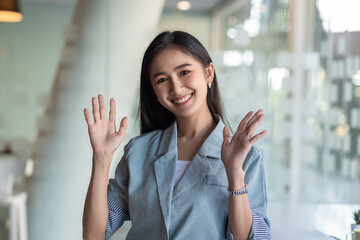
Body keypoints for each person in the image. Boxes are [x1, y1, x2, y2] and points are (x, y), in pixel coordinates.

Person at [82, 31, 271, 240]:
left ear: (209, 73)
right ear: (154, 91)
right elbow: (94, 235)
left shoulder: (248, 157)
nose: (176, 88)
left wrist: (234, 172)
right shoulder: (138, 152)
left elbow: (249, 237)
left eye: (184, 72)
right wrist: (101, 158)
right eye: (162, 79)